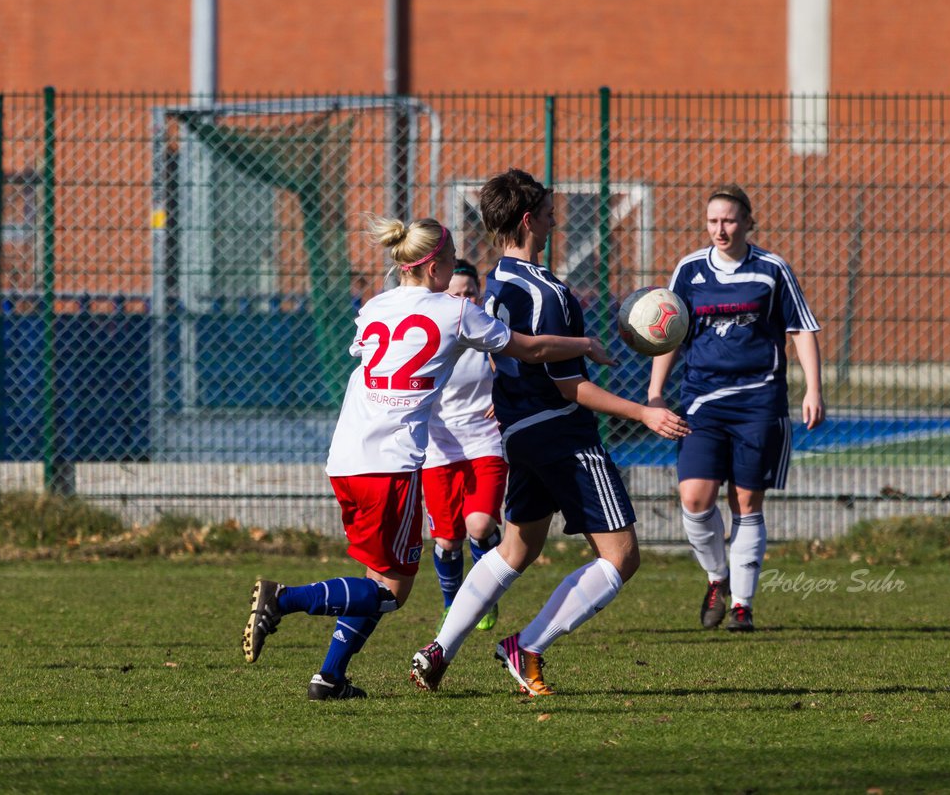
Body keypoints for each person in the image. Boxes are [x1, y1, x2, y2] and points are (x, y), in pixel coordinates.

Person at [241, 215, 613, 701]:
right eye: (454, 257)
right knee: (391, 593)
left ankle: (328, 678)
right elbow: (531, 347)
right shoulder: (455, 311)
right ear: (436, 266)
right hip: (389, 466)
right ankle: (283, 599)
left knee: (377, 575)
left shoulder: (375, 306)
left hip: (346, 458)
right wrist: (586, 344)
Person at [410, 168, 690, 697]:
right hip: (564, 437)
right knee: (621, 557)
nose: (555, 217)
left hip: (519, 435)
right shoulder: (548, 293)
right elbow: (570, 390)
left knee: (517, 547)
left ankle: (439, 648)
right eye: (547, 210)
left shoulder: (496, 284)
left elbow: (510, 360)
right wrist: (644, 413)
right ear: (528, 219)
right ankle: (528, 646)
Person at [646, 184, 824, 633]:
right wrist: (654, 393)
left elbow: (801, 328)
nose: (720, 229)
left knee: (746, 500)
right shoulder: (689, 270)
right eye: (712, 221)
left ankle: (743, 604)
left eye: (728, 220)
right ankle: (716, 578)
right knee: (694, 497)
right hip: (702, 402)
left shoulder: (771, 269)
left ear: (747, 222)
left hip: (759, 401)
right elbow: (669, 332)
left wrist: (812, 389)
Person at [422, 258, 505, 633]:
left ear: (479, 295)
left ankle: (485, 596)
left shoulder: (489, 330)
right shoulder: (432, 334)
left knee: (480, 524)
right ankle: (451, 603)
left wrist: (506, 397)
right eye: (455, 294)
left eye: (470, 293)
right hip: (439, 447)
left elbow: (516, 366)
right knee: (447, 540)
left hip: (484, 441)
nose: (464, 301)